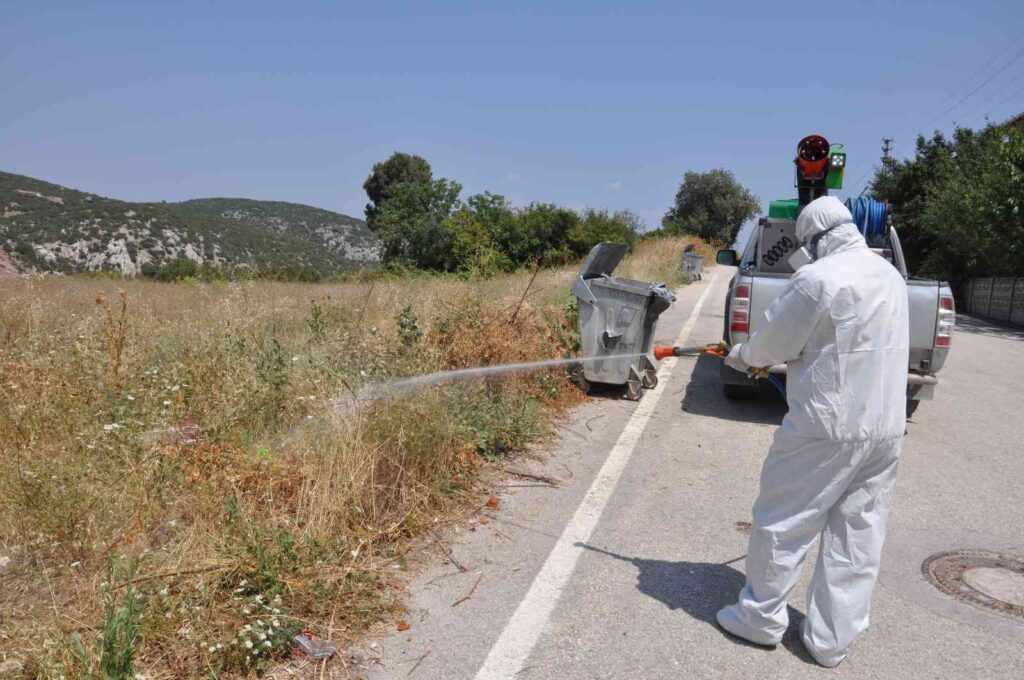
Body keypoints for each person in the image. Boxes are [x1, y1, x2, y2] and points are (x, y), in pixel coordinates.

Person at [715, 195, 910, 668]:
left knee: (785, 518)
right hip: (884, 429)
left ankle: (760, 618)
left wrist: (741, 356)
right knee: (858, 533)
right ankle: (830, 640)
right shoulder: (891, 277)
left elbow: (770, 344)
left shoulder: (818, 279)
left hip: (826, 426)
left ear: (816, 238)